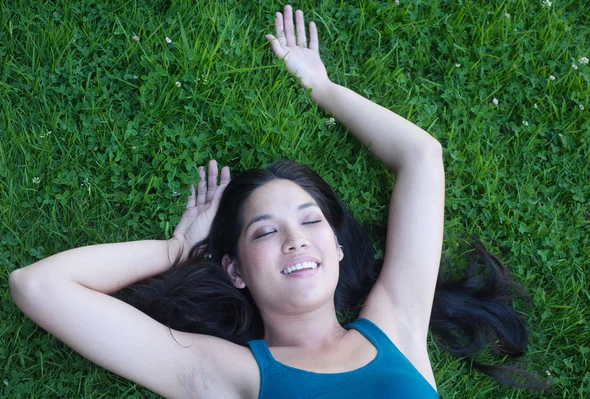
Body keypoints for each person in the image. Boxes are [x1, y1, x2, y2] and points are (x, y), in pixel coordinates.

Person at [9, 5, 544, 398]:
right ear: (235, 271)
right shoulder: (229, 376)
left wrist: (323, 88)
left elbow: (422, 156)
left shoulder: (398, 326)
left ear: (335, 247)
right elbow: (37, 285)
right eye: (263, 231)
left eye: (311, 220)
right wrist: (174, 249)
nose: (295, 238)